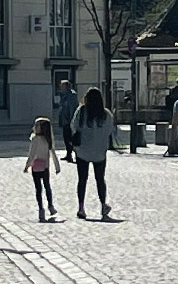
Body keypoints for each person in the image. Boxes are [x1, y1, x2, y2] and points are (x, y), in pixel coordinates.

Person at [69, 87, 114, 220]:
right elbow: (109, 131)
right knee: (100, 179)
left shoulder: (82, 111)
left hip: (82, 149)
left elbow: (73, 126)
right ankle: (103, 205)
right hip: (99, 151)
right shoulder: (106, 114)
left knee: (82, 179)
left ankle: (81, 207)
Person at [23, 117, 61, 222]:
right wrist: (57, 167)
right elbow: (53, 153)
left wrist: (27, 166)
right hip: (45, 167)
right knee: (47, 186)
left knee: (38, 189)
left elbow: (32, 154)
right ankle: (51, 206)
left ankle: (41, 209)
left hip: (36, 167)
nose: (34, 128)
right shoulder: (48, 140)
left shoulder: (35, 139)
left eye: (36, 126)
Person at [55, 79, 79, 165]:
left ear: (66, 86)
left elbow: (72, 109)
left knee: (71, 139)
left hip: (69, 121)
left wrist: (71, 121)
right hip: (64, 121)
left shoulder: (71, 95)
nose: (60, 87)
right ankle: (68, 154)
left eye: (62, 86)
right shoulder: (63, 95)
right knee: (66, 138)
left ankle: (75, 154)